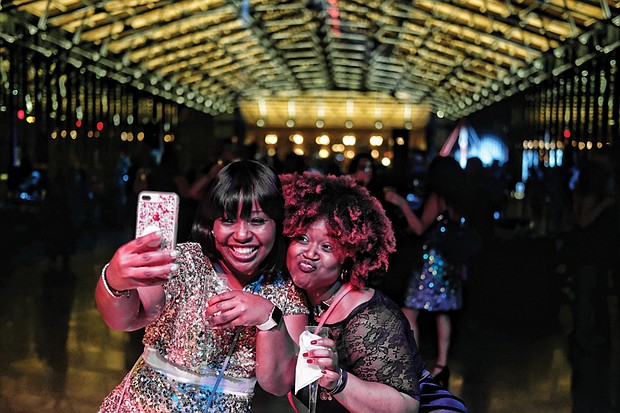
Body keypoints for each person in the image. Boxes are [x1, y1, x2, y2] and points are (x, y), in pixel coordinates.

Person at [95, 160, 308, 412]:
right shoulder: (186, 262)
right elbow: (126, 320)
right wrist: (115, 279)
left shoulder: (285, 291)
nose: (242, 234)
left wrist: (268, 318)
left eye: (257, 221)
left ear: (277, 224)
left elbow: (278, 383)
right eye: (228, 220)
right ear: (212, 226)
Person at [281, 171, 468, 413]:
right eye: (302, 238)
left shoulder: (371, 317)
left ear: (348, 257)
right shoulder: (292, 298)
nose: (310, 252)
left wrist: (339, 380)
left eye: (327, 246)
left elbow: (406, 406)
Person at [384, 155, 475, 389]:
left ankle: (414, 365)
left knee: (409, 311)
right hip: (450, 264)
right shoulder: (459, 198)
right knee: (441, 314)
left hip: (431, 264)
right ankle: (441, 365)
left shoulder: (438, 197)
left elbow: (419, 228)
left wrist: (402, 203)